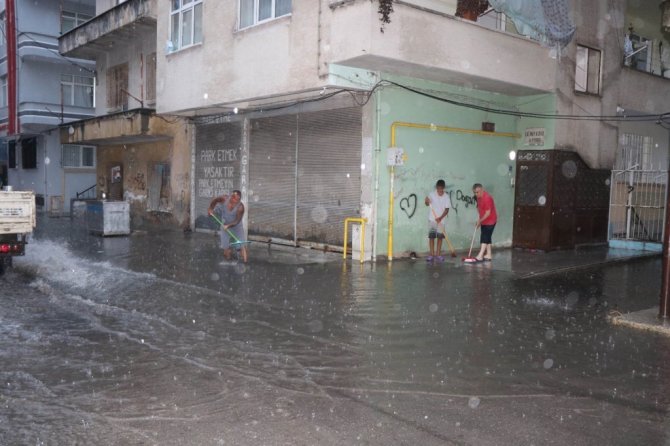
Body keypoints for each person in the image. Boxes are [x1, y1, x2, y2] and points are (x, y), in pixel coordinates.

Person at [208, 190, 248, 263]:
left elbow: (237, 221)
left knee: (242, 245)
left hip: (236, 226)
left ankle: (245, 263)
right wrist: (211, 208)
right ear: (231, 197)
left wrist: (228, 225)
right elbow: (215, 200)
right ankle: (228, 257)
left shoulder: (240, 207)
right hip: (225, 224)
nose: (235, 201)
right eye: (233, 199)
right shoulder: (224, 199)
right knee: (226, 247)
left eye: (237, 200)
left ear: (239, 199)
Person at [424, 179, 451, 262]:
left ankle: (438, 255)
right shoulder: (432, 194)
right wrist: (426, 201)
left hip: (441, 221)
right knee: (431, 237)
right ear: (436, 187)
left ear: (443, 188)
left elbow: (447, 210)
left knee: (440, 238)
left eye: (441, 189)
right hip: (432, 219)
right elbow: (427, 204)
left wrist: (440, 218)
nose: (439, 190)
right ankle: (431, 255)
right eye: (438, 188)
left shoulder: (446, 197)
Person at [473, 183, 497, 262]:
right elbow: (479, 208)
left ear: (482, 190)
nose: (476, 194)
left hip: (490, 221)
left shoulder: (487, 198)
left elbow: (488, 213)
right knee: (487, 237)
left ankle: (480, 255)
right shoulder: (478, 198)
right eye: (474, 192)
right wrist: (479, 221)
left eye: (477, 192)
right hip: (484, 221)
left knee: (484, 237)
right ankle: (489, 254)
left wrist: (480, 221)